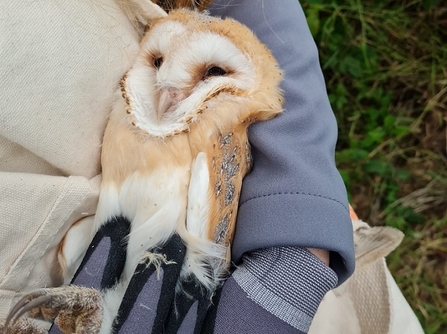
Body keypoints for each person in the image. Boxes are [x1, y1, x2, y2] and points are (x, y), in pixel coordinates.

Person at [0, 0, 354, 333]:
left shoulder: (215, 152)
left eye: (212, 72)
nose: (168, 93)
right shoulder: (125, 118)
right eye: (156, 65)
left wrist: (293, 253)